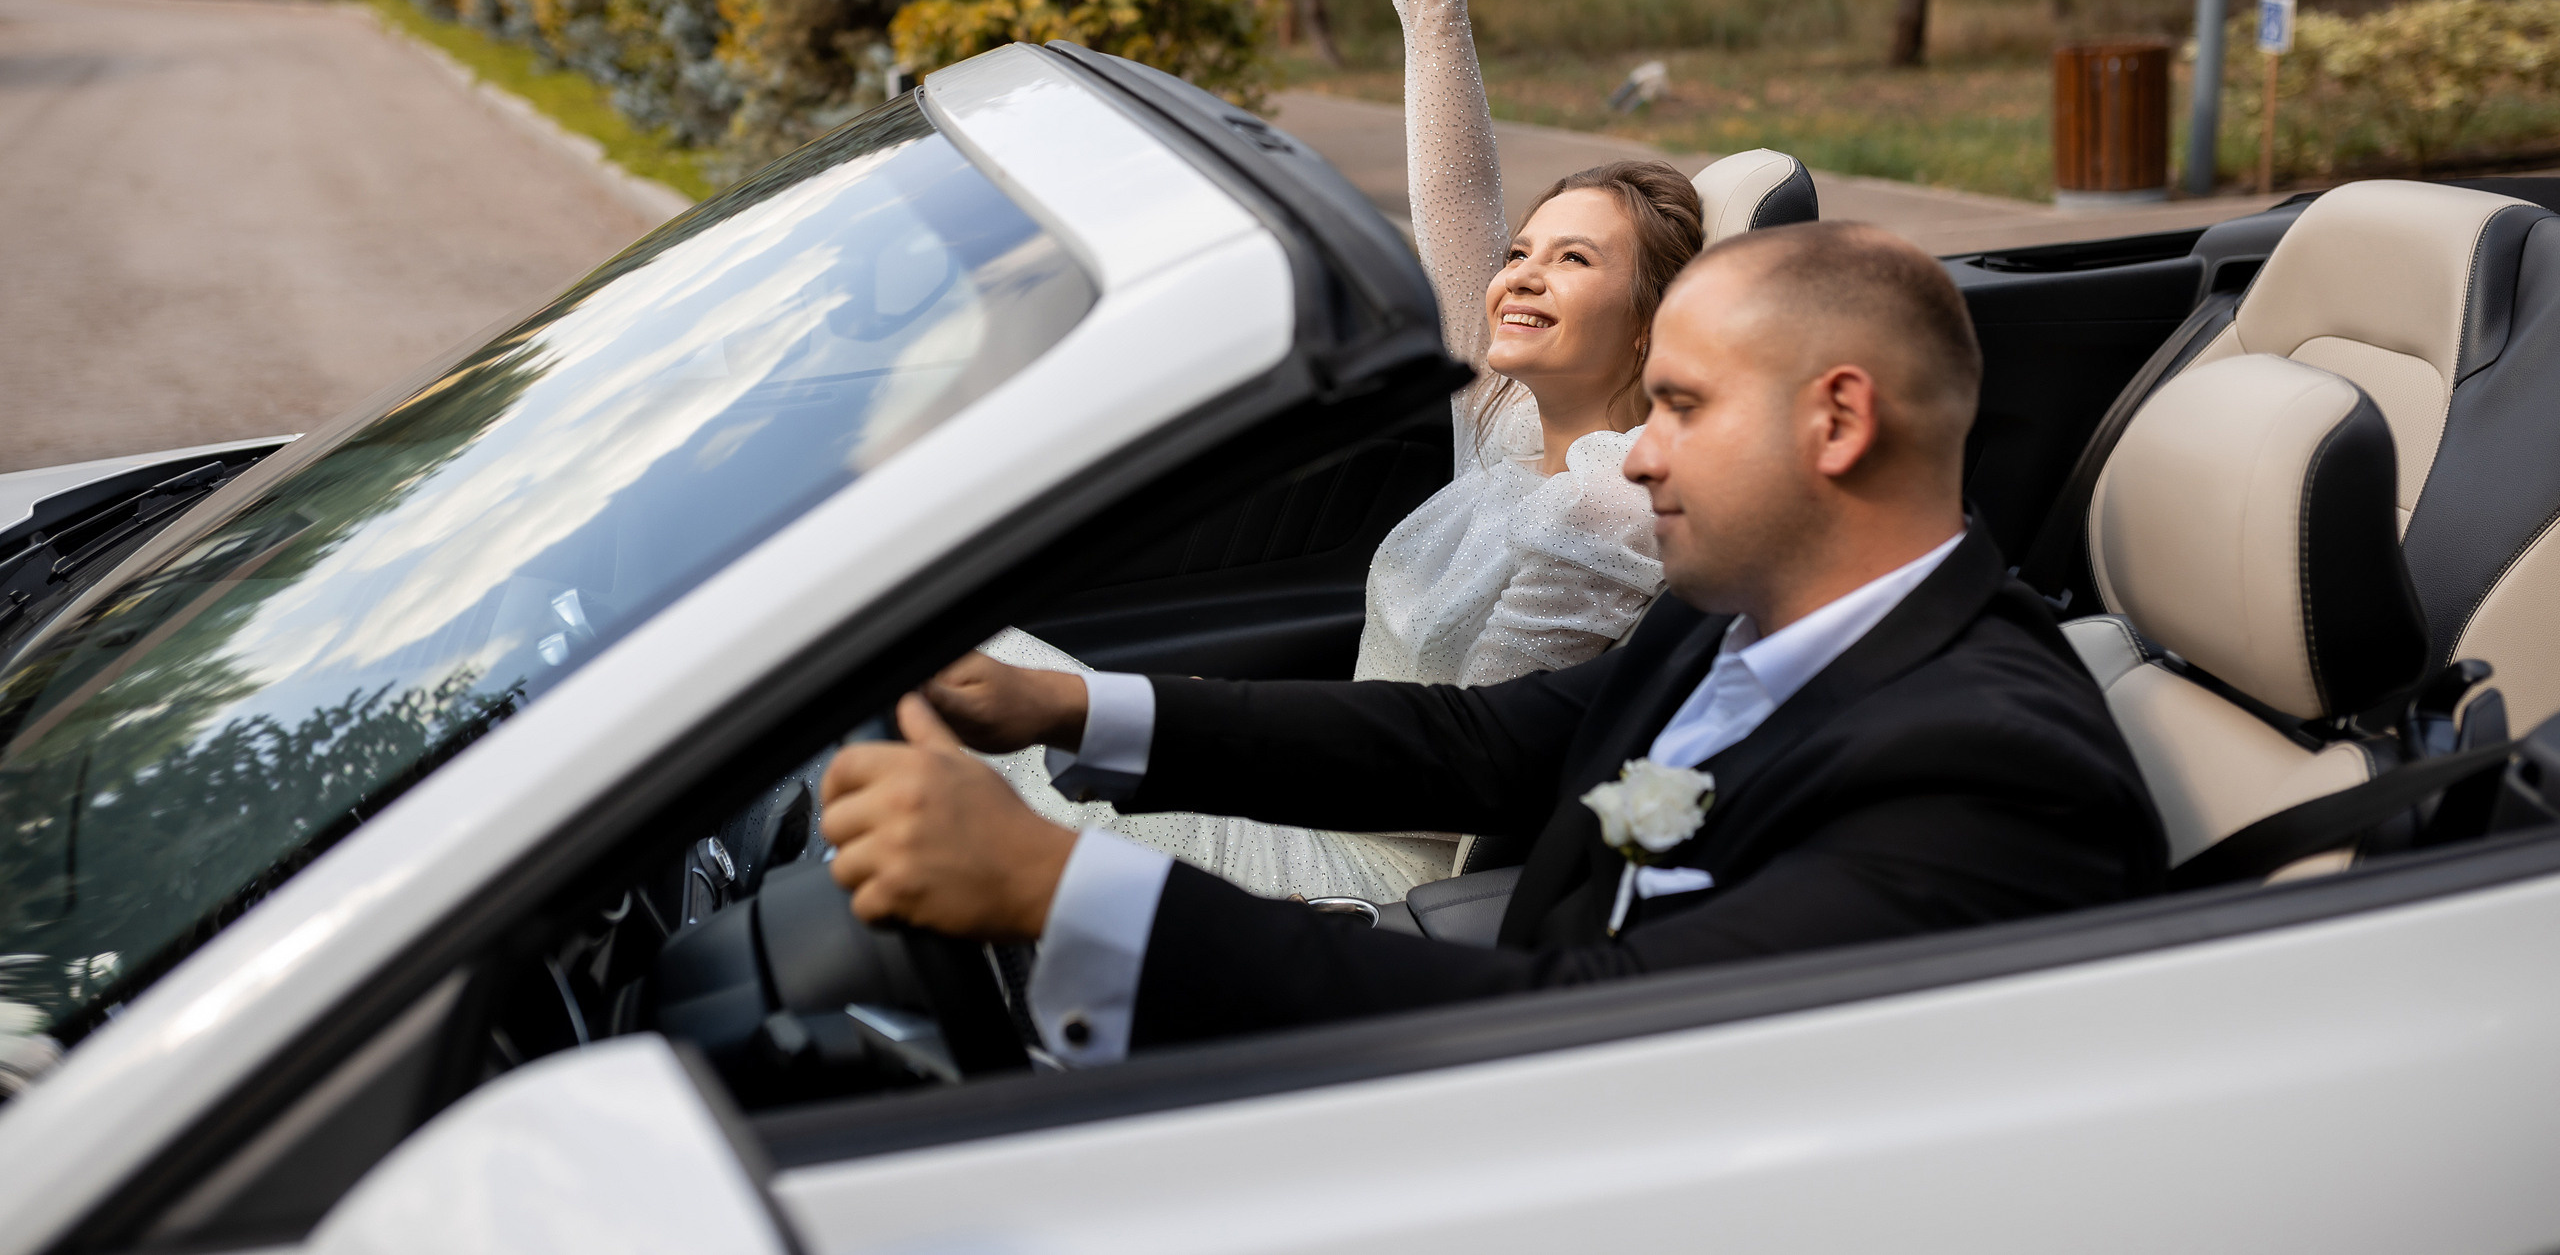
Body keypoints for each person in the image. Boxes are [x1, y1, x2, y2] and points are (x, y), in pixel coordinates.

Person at [816, 221, 2168, 1065]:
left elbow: (1600, 1034)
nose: (1637, 452)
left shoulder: (1981, 765)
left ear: (1837, 419)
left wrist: (1066, 890)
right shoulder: (1742, 611)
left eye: (1682, 404)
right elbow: (1478, 738)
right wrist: (1062, 702)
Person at [971, 0, 1700, 904]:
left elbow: (1462, 764)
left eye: (1576, 260)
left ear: (1649, 322)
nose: (1520, 273)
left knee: (945, 726)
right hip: (1307, 783)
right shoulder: (1503, 426)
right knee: (945, 665)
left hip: (1363, 867)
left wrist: (1220, 740)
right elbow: (1453, 195)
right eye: (1520, 253)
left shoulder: (1609, 505)